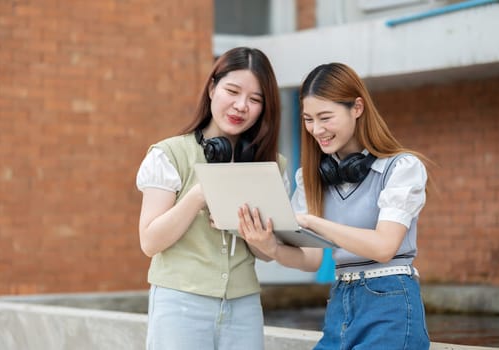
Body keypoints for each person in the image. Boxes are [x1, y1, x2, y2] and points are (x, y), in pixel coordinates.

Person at [238, 62, 431, 349]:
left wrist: (314, 222)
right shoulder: (311, 176)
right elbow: (311, 259)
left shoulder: (402, 168)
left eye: (325, 117)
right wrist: (272, 248)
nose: (317, 130)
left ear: (357, 108)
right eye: (308, 119)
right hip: (340, 303)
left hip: (391, 302)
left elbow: (384, 247)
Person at [135, 47, 288, 350]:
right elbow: (150, 242)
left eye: (255, 99)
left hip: (244, 305)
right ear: (212, 87)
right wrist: (199, 194)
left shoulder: (271, 166)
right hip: (180, 303)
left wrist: (251, 232)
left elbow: (269, 254)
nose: (241, 105)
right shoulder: (169, 155)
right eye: (232, 90)